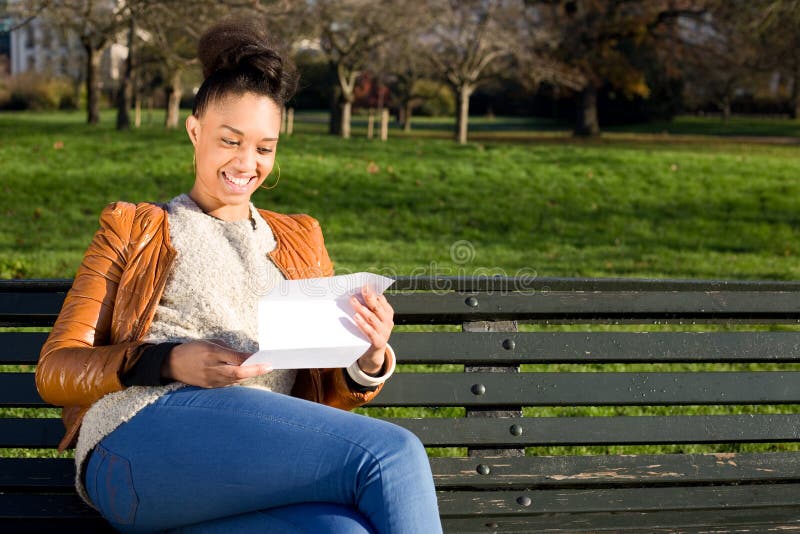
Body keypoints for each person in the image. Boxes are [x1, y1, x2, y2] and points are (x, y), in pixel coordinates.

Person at [35, 20, 442, 534]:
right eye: (230, 140)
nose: (247, 163)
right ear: (194, 131)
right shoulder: (136, 229)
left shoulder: (300, 240)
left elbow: (319, 393)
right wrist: (168, 360)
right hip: (138, 441)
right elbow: (55, 370)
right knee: (391, 454)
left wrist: (367, 358)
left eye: (265, 148)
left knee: (342, 531)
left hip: (250, 464)